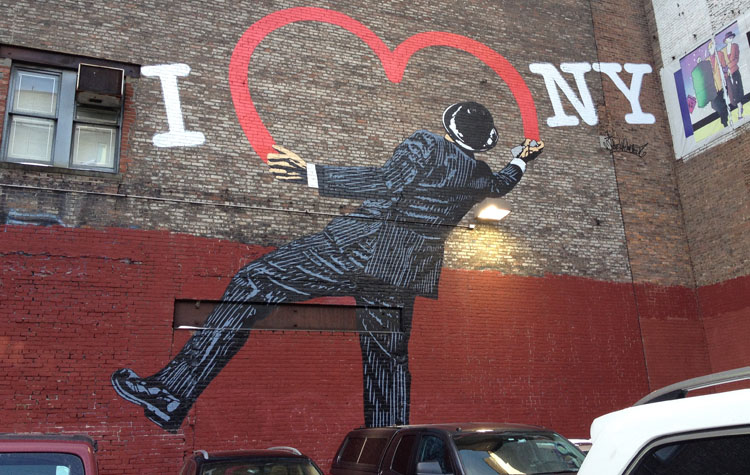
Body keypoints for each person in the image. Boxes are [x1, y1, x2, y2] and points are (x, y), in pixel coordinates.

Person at [111, 102, 544, 432]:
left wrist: (310, 174)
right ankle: (389, 444)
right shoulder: (480, 175)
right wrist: (523, 156)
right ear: (480, 142)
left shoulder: (425, 145)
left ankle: (172, 392)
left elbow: (386, 182)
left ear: (448, 127)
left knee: (255, 279)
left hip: (358, 248)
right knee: (386, 359)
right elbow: (504, 181)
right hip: (402, 273)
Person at [721, 31, 744, 119]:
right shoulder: (723, 51)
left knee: (738, 90)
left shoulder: (735, 46)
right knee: (732, 93)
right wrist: (725, 70)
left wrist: (729, 67)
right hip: (728, 75)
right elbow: (723, 64)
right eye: (729, 38)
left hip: (735, 72)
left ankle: (739, 112)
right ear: (726, 40)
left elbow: (736, 59)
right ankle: (739, 107)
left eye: (731, 37)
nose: (731, 39)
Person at [707, 39, 730, 127]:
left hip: (721, 83)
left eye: (713, 47)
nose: (712, 49)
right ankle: (724, 118)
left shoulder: (719, 54)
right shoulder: (708, 60)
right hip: (714, 88)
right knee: (715, 105)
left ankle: (724, 122)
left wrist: (725, 75)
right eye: (710, 48)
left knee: (721, 103)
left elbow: (724, 66)